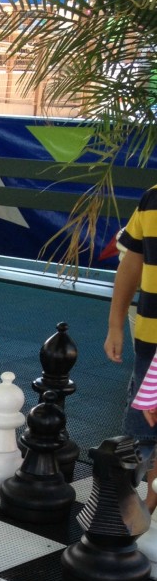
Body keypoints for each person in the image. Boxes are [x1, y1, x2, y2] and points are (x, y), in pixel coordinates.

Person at [104, 188, 157, 516]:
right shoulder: (152, 200)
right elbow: (131, 265)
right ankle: (140, 504)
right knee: (141, 433)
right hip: (150, 343)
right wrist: (116, 324)